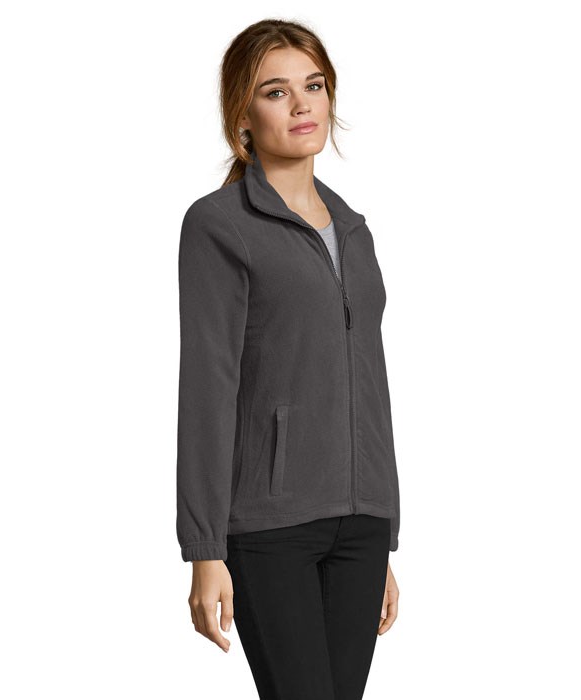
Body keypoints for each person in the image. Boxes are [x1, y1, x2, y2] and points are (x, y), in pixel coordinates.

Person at [176, 18, 401, 700]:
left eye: (314, 86)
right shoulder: (219, 225)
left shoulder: (354, 230)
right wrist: (205, 549)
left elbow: (370, 382)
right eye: (276, 92)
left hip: (360, 527)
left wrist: (383, 530)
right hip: (270, 525)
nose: (302, 104)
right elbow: (208, 388)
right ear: (242, 115)